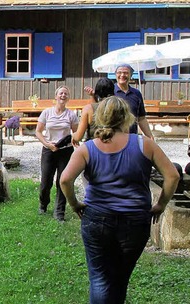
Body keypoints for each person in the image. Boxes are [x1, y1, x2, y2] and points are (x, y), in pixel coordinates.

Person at [60, 96, 179, 304]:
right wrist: (160, 204)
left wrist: (74, 204)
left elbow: (65, 179)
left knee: (99, 280)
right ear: (128, 118)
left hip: (97, 219)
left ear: (99, 118)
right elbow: (173, 176)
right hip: (135, 221)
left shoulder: (87, 148)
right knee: (120, 280)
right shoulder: (145, 145)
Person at [35, 86, 79, 221]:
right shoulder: (47, 113)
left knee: (62, 181)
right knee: (46, 181)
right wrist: (47, 144)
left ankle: (59, 212)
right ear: (56, 96)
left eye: (66, 93)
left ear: (68, 97)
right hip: (49, 150)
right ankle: (43, 204)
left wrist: (72, 141)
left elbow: (76, 134)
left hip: (65, 151)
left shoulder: (71, 115)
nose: (63, 95)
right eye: (61, 93)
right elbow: (38, 132)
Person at [85, 64, 154, 139]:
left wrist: (149, 136)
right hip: (113, 139)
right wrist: (92, 96)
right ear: (115, 74)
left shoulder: (136, 94)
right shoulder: (110, 91)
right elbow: (97, 111)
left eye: (126, 73)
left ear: (131, 75)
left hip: (132, 138)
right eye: (119, 72)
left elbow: (141, 118)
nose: (122, 75)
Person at [72, 78, 115, 147]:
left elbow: (78, 137)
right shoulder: (118, 108)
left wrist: (73, 135)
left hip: (94, 148)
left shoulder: (88, 109)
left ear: (97, 91)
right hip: (114, 147)